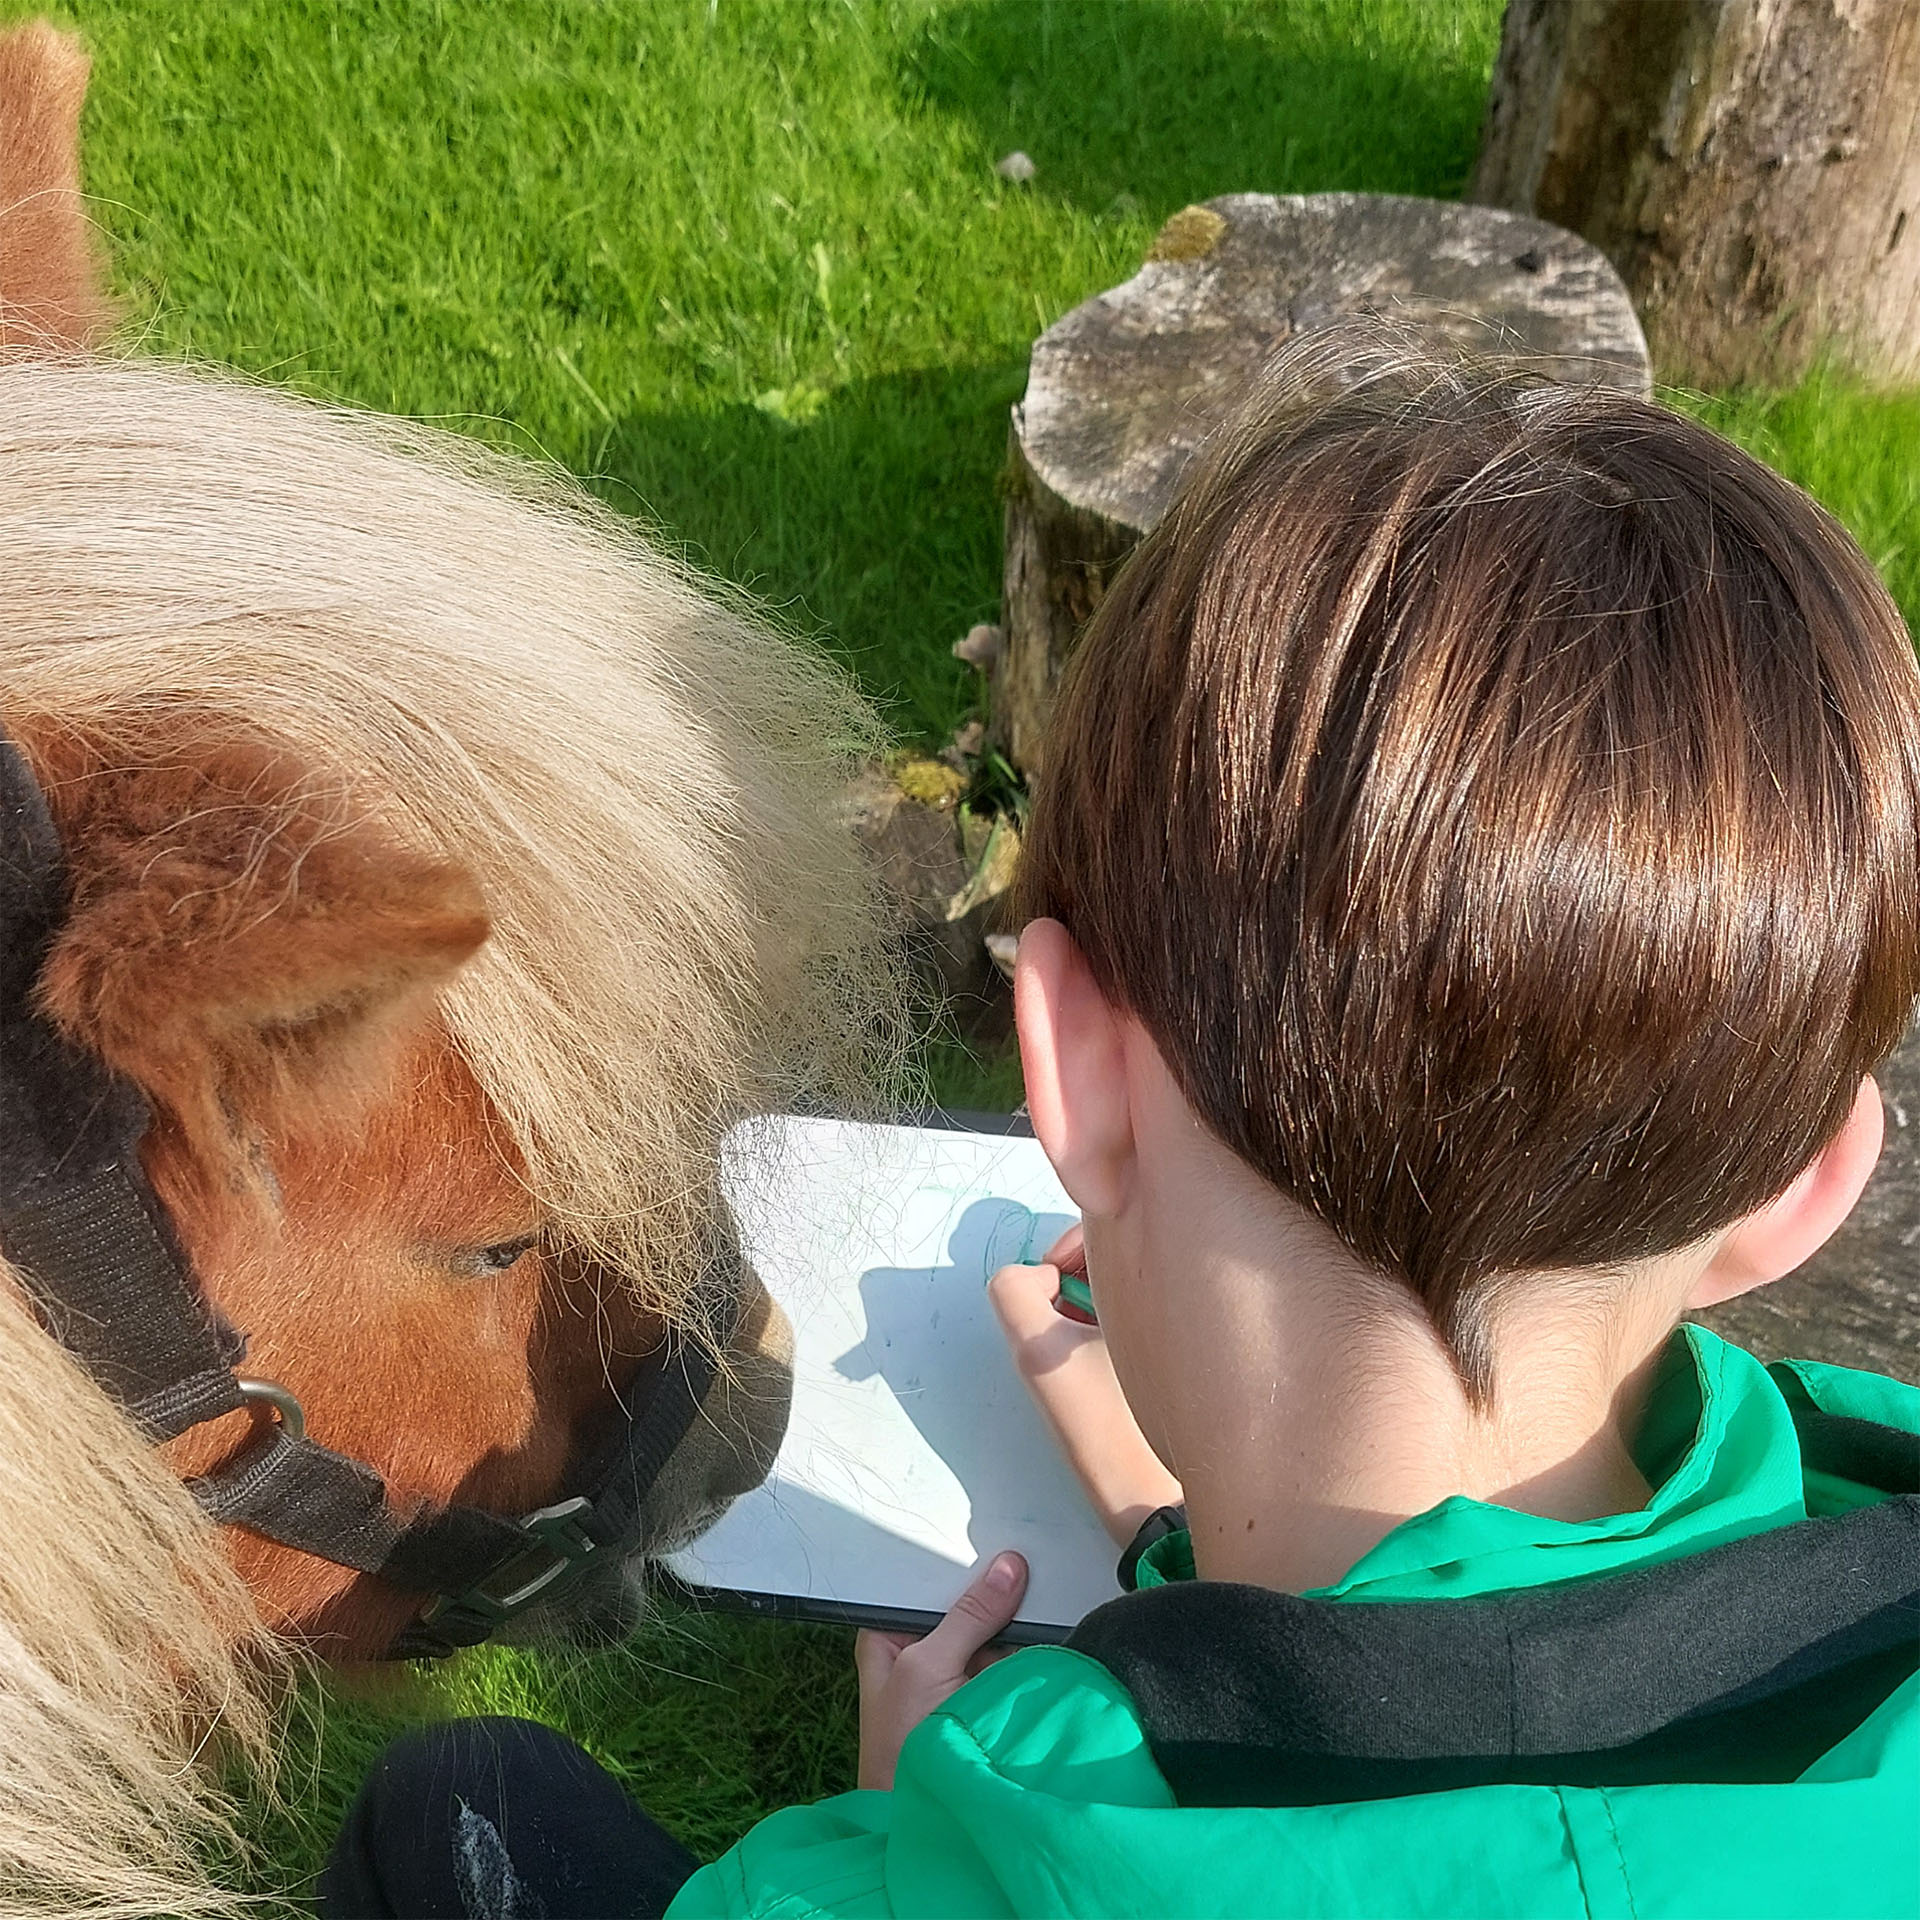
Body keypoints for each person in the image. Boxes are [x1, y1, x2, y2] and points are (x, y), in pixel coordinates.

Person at [323, 343, 1920, 1918]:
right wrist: (1181, 1532)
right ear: (1803, 1188)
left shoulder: (1005, 1848)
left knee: (460, 1810)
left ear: (1069, 1061)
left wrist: (905, 1842)